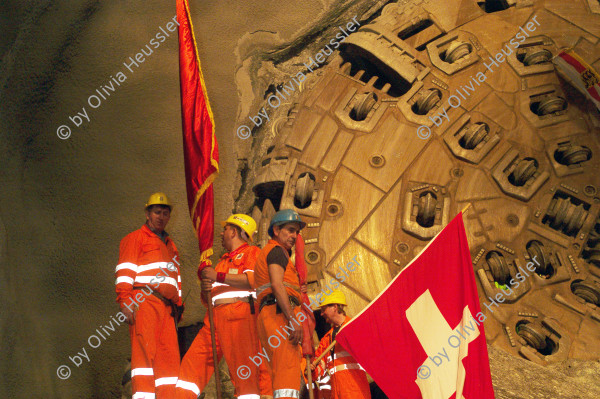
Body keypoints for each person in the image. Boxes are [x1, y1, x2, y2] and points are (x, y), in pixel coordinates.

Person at [175, 214, 272, 399]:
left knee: (243, 372)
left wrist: (216, 277)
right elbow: (208, 300)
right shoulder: (221, 262)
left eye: (225, 229)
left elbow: (252, 281)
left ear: (234, 231)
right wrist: (205, 289)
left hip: (240, 316)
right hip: (214, 319)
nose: (221, 232)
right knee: (193, 364)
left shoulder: (253, 253)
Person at [114, 192, 183, 398]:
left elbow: (176, 279)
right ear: (147, 213)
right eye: (157, 212)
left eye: (165, 213)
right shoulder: (134, 239)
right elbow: (125, 272)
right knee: (144, 357)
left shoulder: (171, 245)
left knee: (168, 360)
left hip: (168, 308)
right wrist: (125, 301)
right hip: (144, 301)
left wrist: (178, 305)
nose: (161, 216)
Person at [254, 209, 307, 399]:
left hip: (270, 315)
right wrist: (292, 320)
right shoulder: (277, 252)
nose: (295, 236)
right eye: (291, 230)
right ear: (276, 229)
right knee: (287, 377)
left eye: (297, 232)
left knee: (279, 378)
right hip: (280, 317)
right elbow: (277, 285)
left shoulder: (269, 252)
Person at [312, 290, 371, 399]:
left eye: (323, 309)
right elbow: (320, 367)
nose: (321, 313)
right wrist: (312, 367)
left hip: (355, 392)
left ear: (334, 307)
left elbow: (370, 354)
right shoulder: (326, 339)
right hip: (337, 393)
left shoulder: (355, 328)